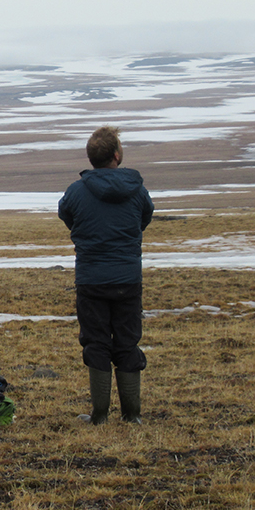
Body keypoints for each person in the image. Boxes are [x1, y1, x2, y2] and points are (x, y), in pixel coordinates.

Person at [58, 126, 154, 424]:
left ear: (92, 158)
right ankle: (132, 415)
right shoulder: (137, 190)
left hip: (91, 279)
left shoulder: (76, 191)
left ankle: (99, 415)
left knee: (96, 341)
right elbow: (145, 218)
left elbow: (67, 216)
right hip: (127, 278)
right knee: (127, 341)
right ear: (117, 155)